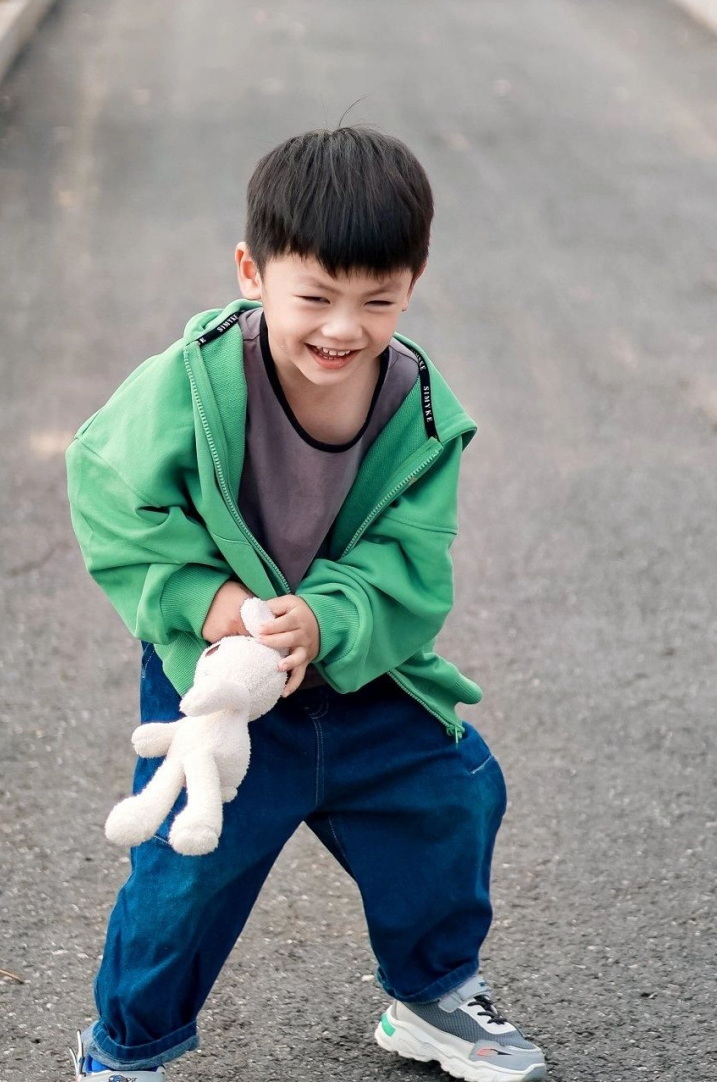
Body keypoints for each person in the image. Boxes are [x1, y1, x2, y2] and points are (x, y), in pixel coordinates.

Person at [64, 126, 546, 1082]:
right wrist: (216, 605)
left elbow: (412, 560)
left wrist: (326, 617)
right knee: (185, 864)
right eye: (315, 296)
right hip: (225, 685)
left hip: (361, 670)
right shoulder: (188, 386)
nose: (342, 328)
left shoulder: (417, 409)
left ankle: (431, 996)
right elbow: (112, 498)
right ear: (253, 271)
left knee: (450, 799)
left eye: (377, 300)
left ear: (414, 281)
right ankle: (126, 1046)